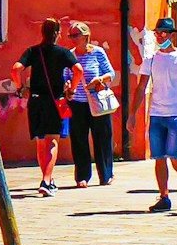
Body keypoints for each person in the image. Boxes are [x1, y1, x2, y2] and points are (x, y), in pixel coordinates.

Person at [137, 16, 177, 212]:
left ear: (172, 35)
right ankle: (164, 196)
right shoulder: (151, 60)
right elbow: (141, 87)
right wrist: (132, 114)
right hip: (156, 113)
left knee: (175, 155)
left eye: (164, 33)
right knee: (159, 156)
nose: (160, 37)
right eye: (157, 33)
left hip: (176, 113)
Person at [13, 18, 77, 197]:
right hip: (55, 101)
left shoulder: (33, 51)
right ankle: (46, 181)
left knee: (41, 141)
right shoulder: (62, 53)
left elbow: (15, 69)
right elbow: (78, 69)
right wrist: (71, 90)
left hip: (36, 100)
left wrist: (21, 88)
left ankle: (47, 178)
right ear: (57, 34)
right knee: (53, 140)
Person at [66, 21, 117, 187]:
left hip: (97, 102)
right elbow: (66, 75)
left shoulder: (98, 53)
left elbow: (110, 73)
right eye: (70, 35)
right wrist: (67, 85)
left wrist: (100, 79)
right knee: (79, 140)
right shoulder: (70, 55)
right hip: (77, 103)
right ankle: (82, 177)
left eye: (75, 35)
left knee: (102, 138)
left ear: (86, 36)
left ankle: (106, 175)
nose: (72, 39)